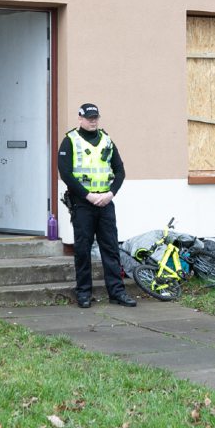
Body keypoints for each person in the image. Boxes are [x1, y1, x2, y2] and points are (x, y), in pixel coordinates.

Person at [58, 103, 135, 308]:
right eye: (89, 118)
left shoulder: (107, 140)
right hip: (83, 204)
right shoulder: (70, 141)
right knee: (83, 249)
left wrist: (111, 193)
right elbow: (65, 173)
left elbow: (119, 170)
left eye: (95, 118)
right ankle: (83, 293)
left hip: (106, 202)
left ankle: (117, 292)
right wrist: (88, 195)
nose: (93, 121)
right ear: (80, 118)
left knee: (110, 248)